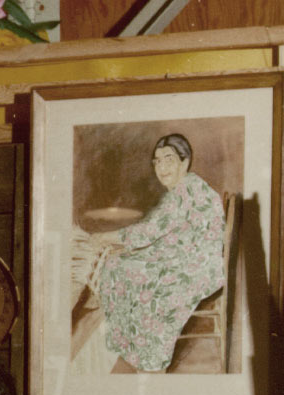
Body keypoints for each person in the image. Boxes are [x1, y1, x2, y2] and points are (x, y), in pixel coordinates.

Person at [92, 133, 225, 373]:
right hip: (193, 256)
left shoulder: (186, 189)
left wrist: (106, 237)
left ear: (185, 162)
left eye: (169, 159)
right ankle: (133, 345)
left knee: (125, 270)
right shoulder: (187, 187)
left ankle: (147, 357)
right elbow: (162, 230)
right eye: (157, 161)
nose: (161, 167)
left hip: (199, 266)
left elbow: (149, 231)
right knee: (119, 264)